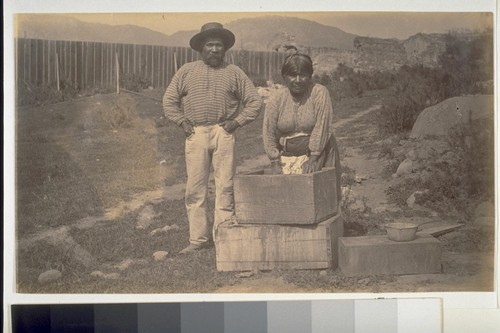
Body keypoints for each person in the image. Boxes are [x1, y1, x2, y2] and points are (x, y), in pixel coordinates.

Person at [163, 22, 262, 254]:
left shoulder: (234, 72)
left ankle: (223, 235)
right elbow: (169, 101)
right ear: (201, 48)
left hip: (222, 133)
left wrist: (236, 122)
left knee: (225, 185)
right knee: (195, 188)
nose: (215, 50)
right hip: (195, 133)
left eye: (219, 45)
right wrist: (182, 121)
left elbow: (254, 101)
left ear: (225, 48)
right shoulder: (186, 71)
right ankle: (198, 240)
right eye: (210, 45)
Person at [263, 51, 341, 201]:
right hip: (288, 153)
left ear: (310, 76)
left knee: (320, 195)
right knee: (286, 197)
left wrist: (313, 158)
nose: (298, 80)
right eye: (292, 75)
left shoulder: (319, 93)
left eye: (303, 75)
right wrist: (274, 161)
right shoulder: (276, 98)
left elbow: (322, 126)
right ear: (284, 77)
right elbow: (269, 131)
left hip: (319, 152)